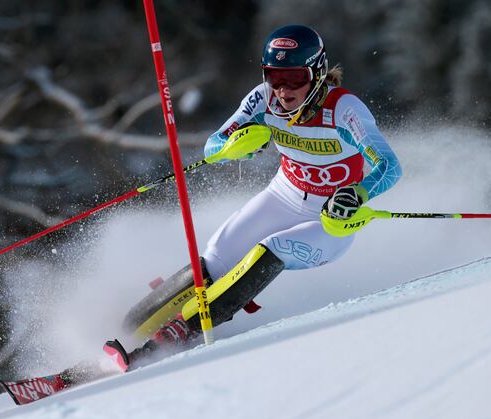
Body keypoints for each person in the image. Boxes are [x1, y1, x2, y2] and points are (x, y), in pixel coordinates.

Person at [104, 24, 402, 371]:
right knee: (214, 259)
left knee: (273, 248)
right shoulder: (263, 99)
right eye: (275, 77)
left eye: (294, 79)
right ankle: (128, 328)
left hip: (328, 220)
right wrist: (236, 147)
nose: (283, 91)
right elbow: (213, 145)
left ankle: (178, 334)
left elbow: (390, 166)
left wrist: (358, 192)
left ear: (318, 73)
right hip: (282, 196)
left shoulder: (344, 109)